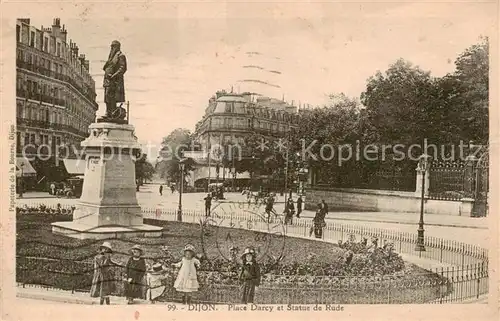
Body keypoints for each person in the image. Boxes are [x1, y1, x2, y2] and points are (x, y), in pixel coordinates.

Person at [102, 40, 127, 121]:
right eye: (111, 46)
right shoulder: (111, 57)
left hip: (115, 81)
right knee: (106, 97)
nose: (112, 48)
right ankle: (108, 112)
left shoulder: (121, 55)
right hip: (107, 80)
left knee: (111, 97)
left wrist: (113, 76)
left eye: (113, 46)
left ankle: (111, 113)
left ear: (118, 47)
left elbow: (122, 68)